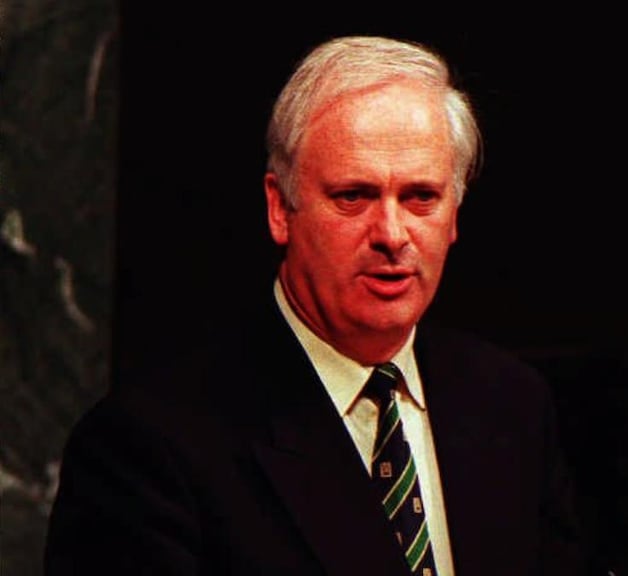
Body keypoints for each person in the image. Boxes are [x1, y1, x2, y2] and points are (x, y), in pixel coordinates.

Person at [45, 35, 590, 575]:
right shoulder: (150, 446)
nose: (392, 234)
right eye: (354, 196)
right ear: (280, 208)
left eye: (421, 197)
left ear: (454, 215)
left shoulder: (511, 403)